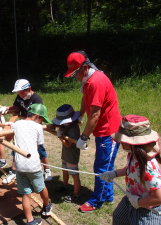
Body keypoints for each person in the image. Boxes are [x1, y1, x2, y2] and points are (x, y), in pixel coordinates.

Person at [65, 51, 121, 212]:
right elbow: (85, 98)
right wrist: (80, 114)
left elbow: (95, 115)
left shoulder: (96, 82)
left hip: (109, 131)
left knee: (101, 167)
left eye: (76, 73)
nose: (75, 77)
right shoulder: (87, 79)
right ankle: (107, 195)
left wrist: (83, 137)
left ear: (85, 67)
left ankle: (96, 200)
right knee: (105, 165)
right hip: (101, 129)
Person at [99, 115, 161, 224]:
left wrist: (138, 202)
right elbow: (131, 169)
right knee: (119, 217)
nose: (121, 142)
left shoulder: (147, 168)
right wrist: (114, 173)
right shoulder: (133, 154)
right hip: (131, 199)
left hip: (146, 210)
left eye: (123, 139)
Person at [2, 79, 52, 183]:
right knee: (18, 148)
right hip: (22, 125)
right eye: (18, 94)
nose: (20, 96)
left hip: (34, 126)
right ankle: (14, 172)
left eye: (22, 93)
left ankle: (47, 170)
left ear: (29, 89)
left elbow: (38, 117)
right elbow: (16, 107)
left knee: (40, 149)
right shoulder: (20, 96)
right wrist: (6, 108)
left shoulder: (37, 99)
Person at [10, 103, 52, 225]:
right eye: (41, 119)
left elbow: (8, 137)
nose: (41, 122)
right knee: (41, 187)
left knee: (25, 193)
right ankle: (47, 205)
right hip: (33, 165)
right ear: (36, 116)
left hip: (19, 165)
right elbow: (38, 146)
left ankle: (30, 221)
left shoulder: (16, 124)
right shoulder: (38, 127)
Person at [53, 104, 81, 203]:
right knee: (64, 169)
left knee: (74, 174)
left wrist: (60, 136)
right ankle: (65, 185)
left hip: (71, 154)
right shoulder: (68, 125)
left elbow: (69, 144)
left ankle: (76, 194)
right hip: (66, 153)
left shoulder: (73, 128)